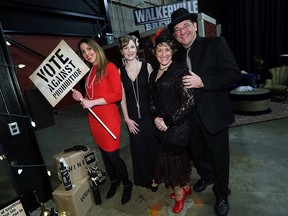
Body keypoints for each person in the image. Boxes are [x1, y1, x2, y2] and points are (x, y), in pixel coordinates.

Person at [168, 8, 241, 216]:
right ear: (174, 35)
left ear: (194, 26)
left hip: (214, 114)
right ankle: (206, 176)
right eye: (177, 30)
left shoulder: (216, 44)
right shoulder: (177, 57)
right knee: (198, 155)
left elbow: (233, 74)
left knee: (219, 158)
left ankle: (221, 194)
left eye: (185, 26)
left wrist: (203, 82)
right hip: (190, 119)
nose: (182, 32)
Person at [72, 38, 132, 205]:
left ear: (96, 49)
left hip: (108, 118)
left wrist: (92, 102)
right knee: (105, 155)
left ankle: (127, 184)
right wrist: (81, 98)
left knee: (113, 156)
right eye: (83, 52)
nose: (87, 54)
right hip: (94, 119)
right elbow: (90, 99)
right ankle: (114, 180)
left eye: (89, 49)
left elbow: (117, 95)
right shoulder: (90, 72)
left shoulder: (109, 67)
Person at [148, 29, 195, 214]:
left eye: (167, 50)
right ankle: (185, 186)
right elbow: (152, 101)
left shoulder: (180, 70)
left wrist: (167, 120)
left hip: (179, 126)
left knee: (171, 162)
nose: (164, 54)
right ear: (155, 53)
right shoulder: (153, 75)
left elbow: (189, 103)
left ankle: (179, 194)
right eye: (160, 50)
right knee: (178, 159)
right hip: (161, 124)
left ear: (172, 51)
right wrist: (156, 118)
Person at [118, 34, 160, 191]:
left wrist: (157, 115)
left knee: (153, 148)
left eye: (132, 47)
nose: (129, 50)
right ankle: (146, 177)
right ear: (122, 52)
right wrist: (127, 119)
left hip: (149, 117)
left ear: (137, 49)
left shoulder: (147, 66)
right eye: (125, 47)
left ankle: (156, 177)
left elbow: (153, 94)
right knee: (139, 151)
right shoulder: (119, 71)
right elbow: (121, 97)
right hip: (133, 119)